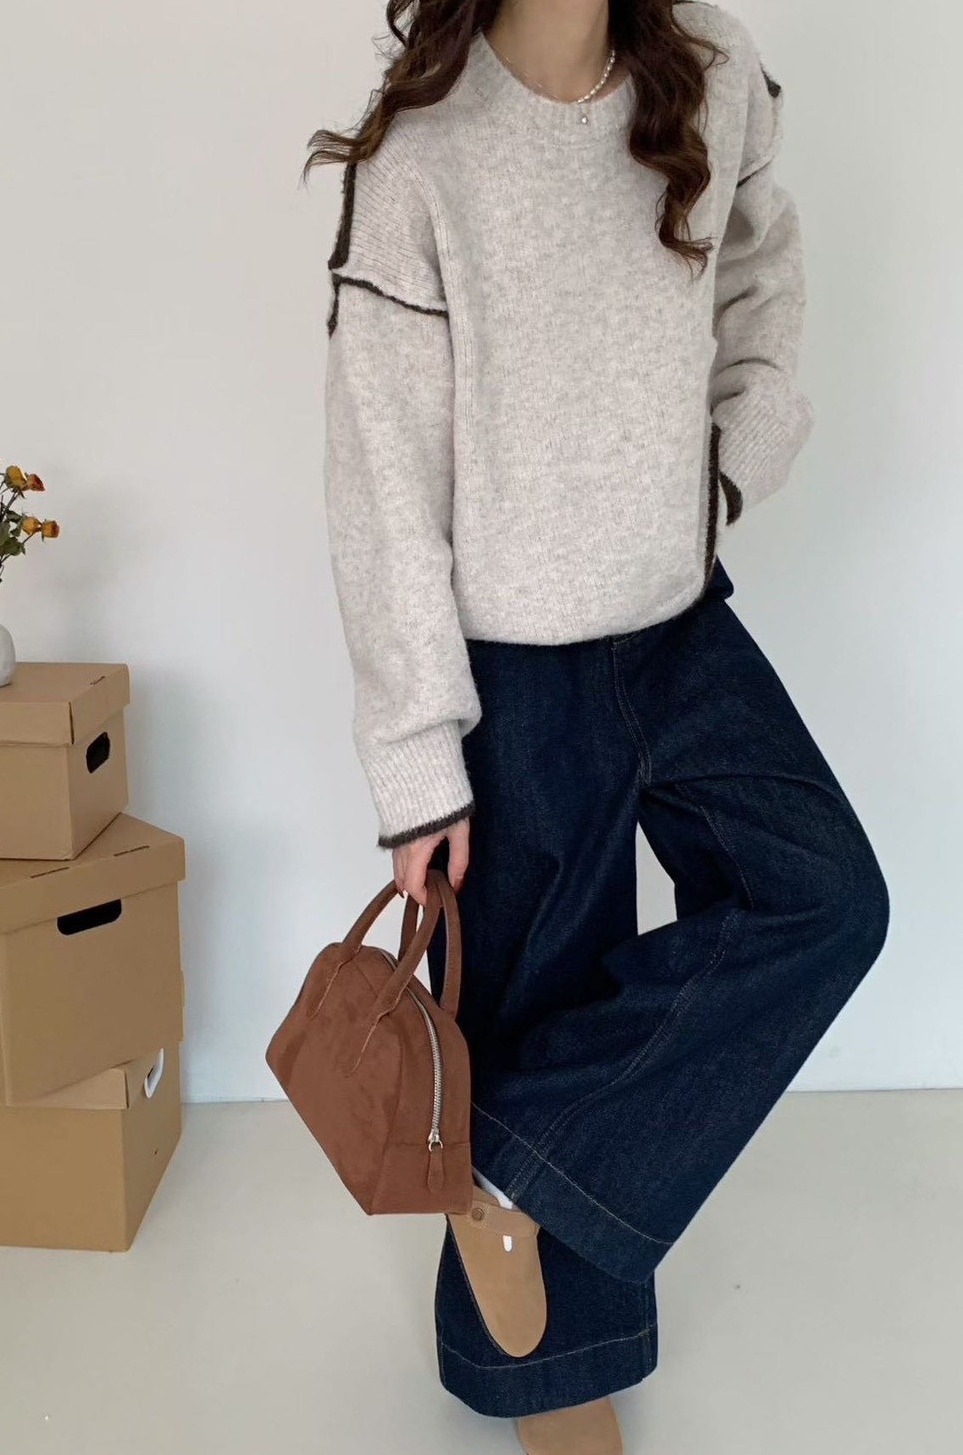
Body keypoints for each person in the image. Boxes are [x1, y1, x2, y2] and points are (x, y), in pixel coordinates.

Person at [309, 1, 890, 1450]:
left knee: (822, 898)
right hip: (515, 663)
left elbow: (761, 260)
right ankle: (547, 1378)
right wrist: (417, 758)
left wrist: (733, 459)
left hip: (678, 623)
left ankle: (500, 1168)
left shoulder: (711, 70)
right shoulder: (425, 156)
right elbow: (382, 475)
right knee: (532, 992)